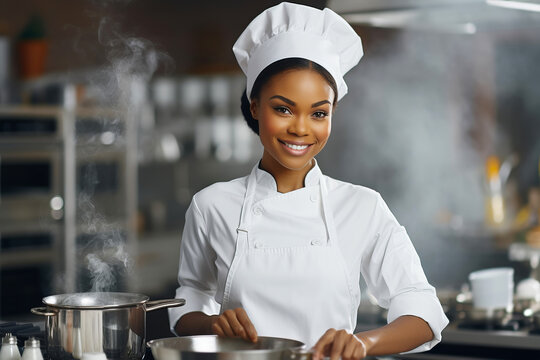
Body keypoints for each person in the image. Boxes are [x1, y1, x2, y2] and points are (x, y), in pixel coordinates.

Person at [169, 3, 449, 359]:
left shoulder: (362, 206)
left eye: (319, 113)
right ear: (255, 107)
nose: (301, 128)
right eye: (283, 108)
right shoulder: (212, 205)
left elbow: (422, 309)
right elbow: (187, 300)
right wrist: (212, 325)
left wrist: (363, 343)